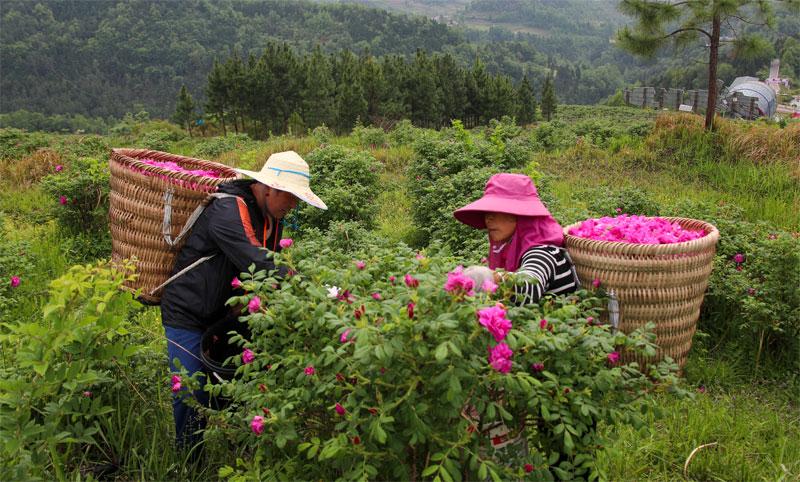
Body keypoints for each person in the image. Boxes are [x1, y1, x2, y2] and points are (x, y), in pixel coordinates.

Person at [160, 151, 326, 456]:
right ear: (268, 188)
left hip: (223, 311)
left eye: (297, 199)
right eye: (289, 197)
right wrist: (309, 286)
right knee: (191, 389)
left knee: (232, 382)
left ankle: (238, 449)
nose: (293, 205)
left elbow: (268, 270)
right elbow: (257, 261)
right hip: (186, 310)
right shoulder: (228, 209)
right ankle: (186, 463)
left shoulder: (270, 217)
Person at [453, 173, 579, 304]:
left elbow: (531, 286)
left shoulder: (543, 252)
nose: (488, 218)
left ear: (520, 216)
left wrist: (490, 277)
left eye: (496, 210)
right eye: (487, 212)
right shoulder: (511, 249)